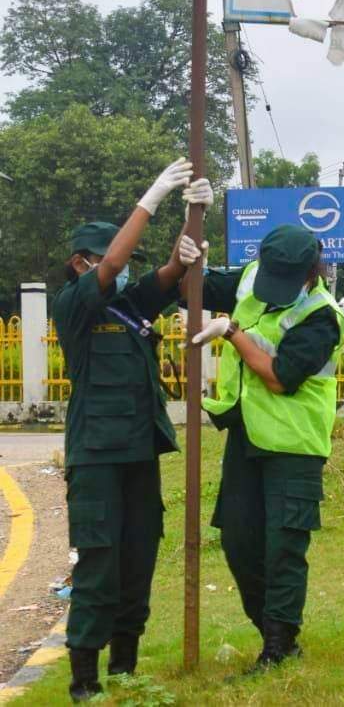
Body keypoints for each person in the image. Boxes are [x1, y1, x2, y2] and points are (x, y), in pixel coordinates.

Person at [53, 158, 211, 700]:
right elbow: (118, 258)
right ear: (80, 264)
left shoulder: (129, 303)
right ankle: (84, 679)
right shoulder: (74, 306)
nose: (119, 269)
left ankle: (124, 667)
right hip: (96, 458)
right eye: (106, 262)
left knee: (139, 558)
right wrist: (152, 197)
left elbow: (168, 272)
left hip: (139, 453)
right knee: (99, 565)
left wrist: (193, 223)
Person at [190, 224, 344, 671]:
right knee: (238, 543)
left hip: (295, 444)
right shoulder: (252, 276)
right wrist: (187, 254)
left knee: (283, 547)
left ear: (309, 273)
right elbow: (193, 289)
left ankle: (280, 648)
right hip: (247, 436)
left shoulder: (322, 315)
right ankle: (271, 632)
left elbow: (280, 377)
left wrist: (231, 332)